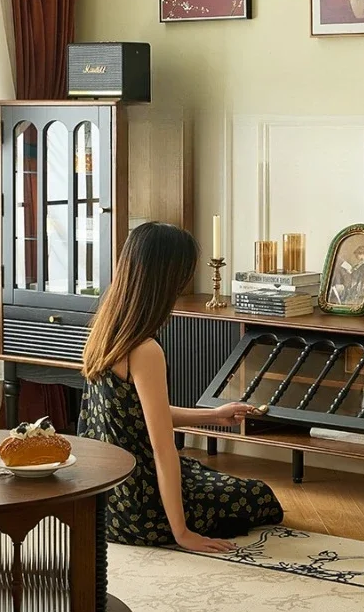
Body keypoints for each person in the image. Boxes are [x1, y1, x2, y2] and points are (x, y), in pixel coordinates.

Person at [78, 222, 284, 553]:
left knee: (200, 473)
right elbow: (163, 449)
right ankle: (176, 523)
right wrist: (182, 533)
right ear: (166, 279)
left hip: (103, 502)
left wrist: (214, 415)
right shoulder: (145, 350)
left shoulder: (104, 333)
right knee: (259, 496)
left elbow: (141, 416)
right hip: (140, 509)